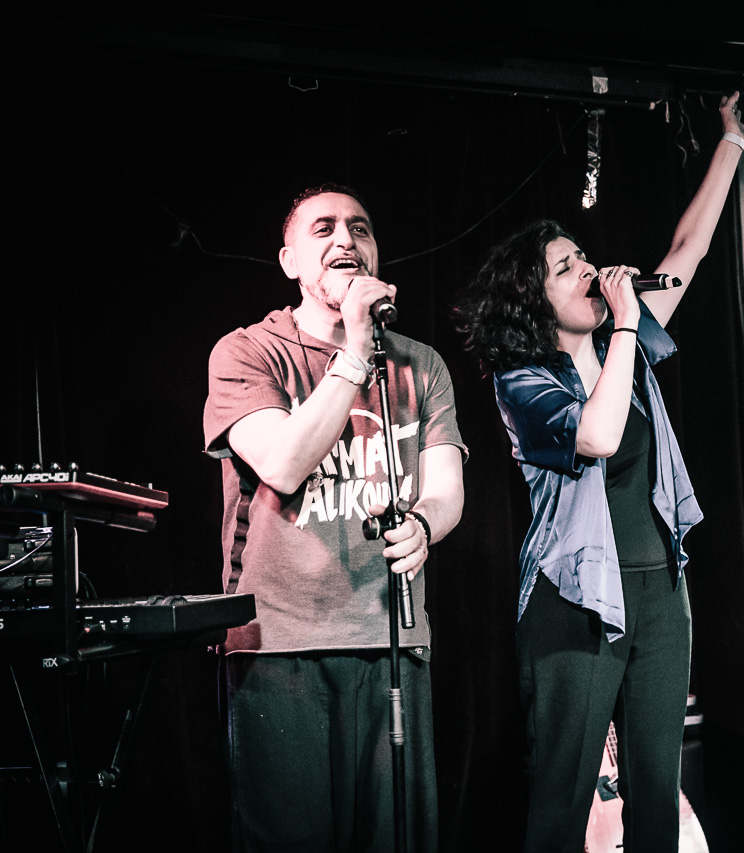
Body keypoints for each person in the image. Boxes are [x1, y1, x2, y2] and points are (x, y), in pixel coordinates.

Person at [454, 93, 744, 852]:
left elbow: (688, 251)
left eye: (584, 257)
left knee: (657, 792)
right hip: (575, 600)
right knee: (562, 796)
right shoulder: (523, 382)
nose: (589, 268)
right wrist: (623, 327)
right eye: (567, 267)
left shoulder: (629, 342)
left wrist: (732, 141)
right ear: (534, 298)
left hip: (660, 593)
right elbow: (599, 433)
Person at [203, 184, 466, 852]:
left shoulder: (421, 364)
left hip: (390, 638)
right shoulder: (246, 352)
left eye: (360, 228)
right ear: (290, 260)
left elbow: (446, 489)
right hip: (278, 643)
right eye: (323, 229)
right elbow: (284, 464)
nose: (346, 239)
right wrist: (353, 350)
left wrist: (424, 526)